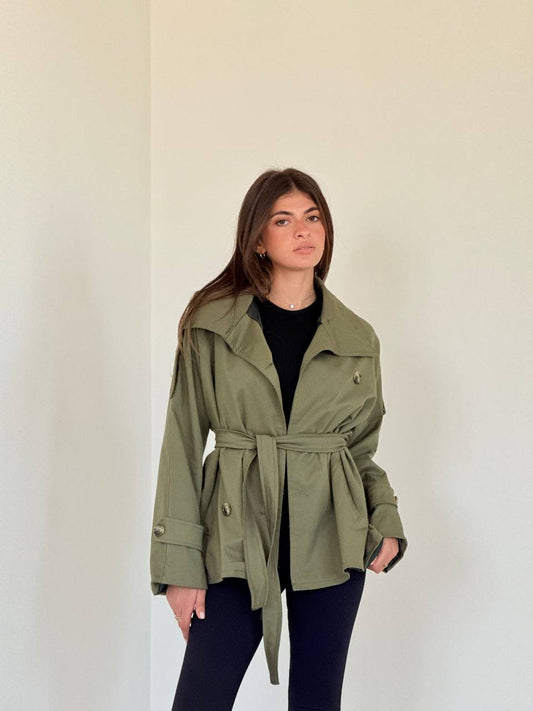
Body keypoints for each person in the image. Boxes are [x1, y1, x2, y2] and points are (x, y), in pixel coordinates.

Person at [150, 167, 408, 710]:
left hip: (332, 534)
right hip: (235, 534)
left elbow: (360, 451)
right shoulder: (211, 325)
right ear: (258, 240)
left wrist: (384, 517)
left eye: (312, 217)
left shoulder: (357, 338)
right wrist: (179, 564)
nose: (303, 230)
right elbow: (182, 442)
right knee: (200, 698)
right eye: (283, 220)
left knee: (317, 700)